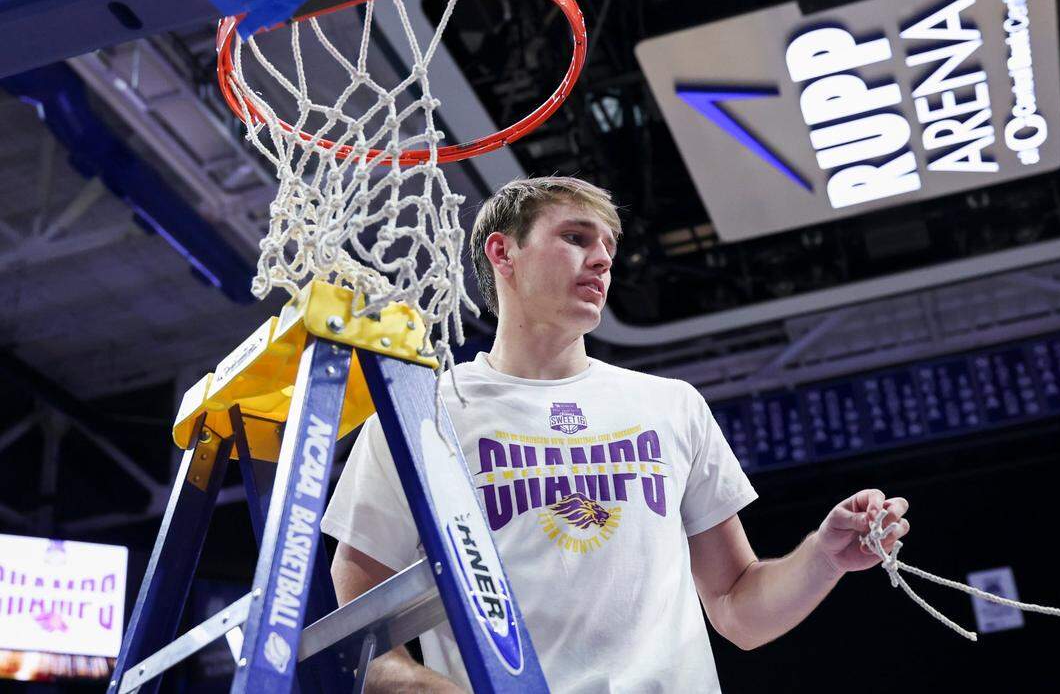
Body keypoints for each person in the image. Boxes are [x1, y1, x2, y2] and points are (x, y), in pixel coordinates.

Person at [321, 176, 910, 693]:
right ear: (504, 252)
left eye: (609, 245)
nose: (603, 258)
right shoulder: (422, 416)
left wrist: (823, 559)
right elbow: (364, 642)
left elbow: (737, 608)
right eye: (577, 238)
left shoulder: (670, 406)